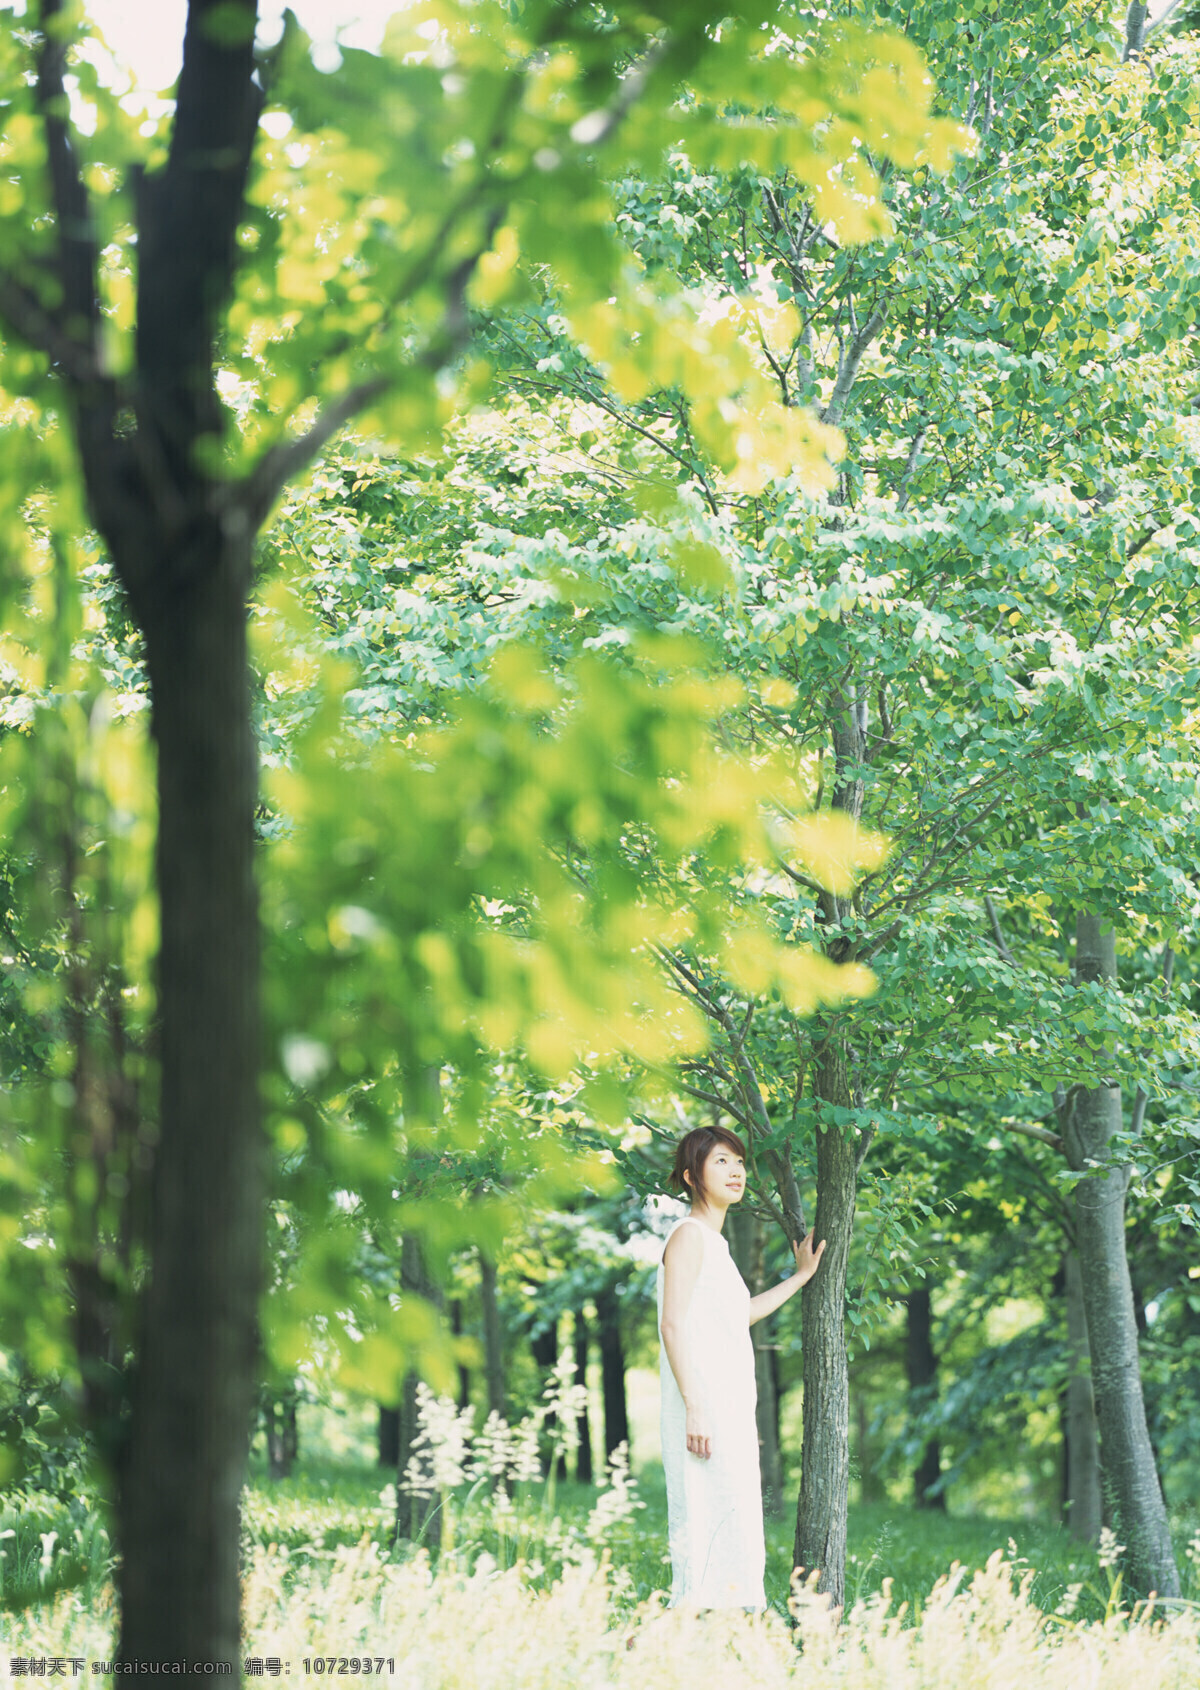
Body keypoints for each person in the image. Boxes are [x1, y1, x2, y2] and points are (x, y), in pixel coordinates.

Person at [656, 1124, 826, 1610]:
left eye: (738, 1161)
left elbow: (741, 1314)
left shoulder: (716, 1245)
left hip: (722, 1410)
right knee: (705, 1522)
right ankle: (665, 1643)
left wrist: (800, 1277)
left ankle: (716, 1640)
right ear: (692, 1176)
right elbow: (672, 1326)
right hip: (700, 1411)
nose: (735, 1171)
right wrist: (695, 1408)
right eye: (720, 1162)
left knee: (734, 1522)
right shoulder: (688, 1236)